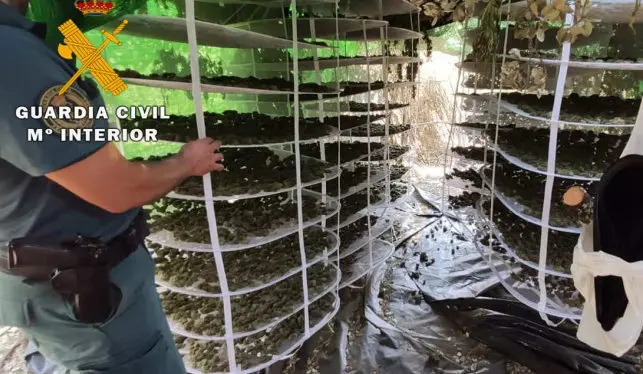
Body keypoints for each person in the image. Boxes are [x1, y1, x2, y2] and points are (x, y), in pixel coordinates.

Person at [0, 1, 224, 373]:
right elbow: (116, 187)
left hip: (48, 281)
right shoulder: (11, 55)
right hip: (84, 295)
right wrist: (186, 162)